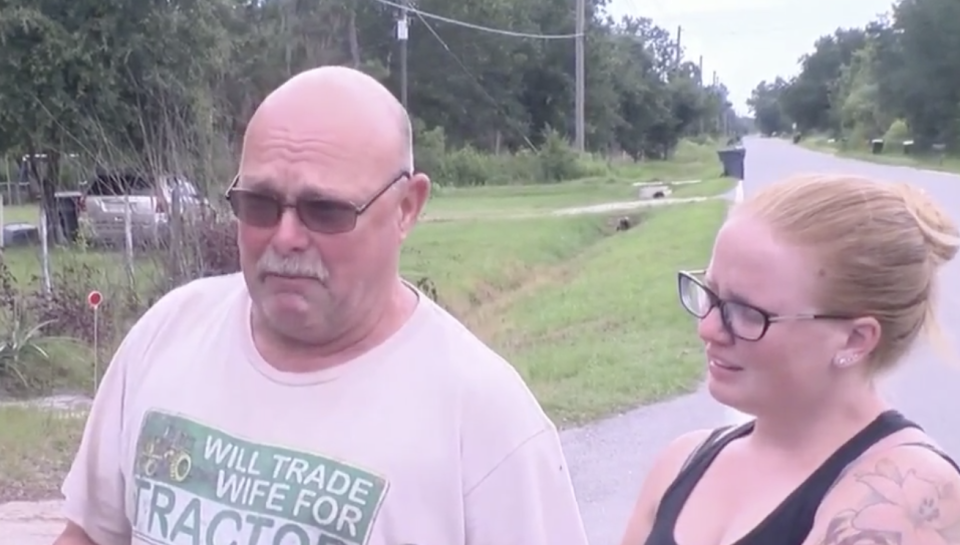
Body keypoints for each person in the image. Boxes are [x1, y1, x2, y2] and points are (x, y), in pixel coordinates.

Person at [54, 66, 588, 545]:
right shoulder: (169, 333)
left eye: (325, 210)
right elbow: (90, 533)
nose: (285, 237)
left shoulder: (486, 422)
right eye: (259, 205)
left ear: (407, 208)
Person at [620, 174, 960, 545]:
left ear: (854, 340)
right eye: (711, 294)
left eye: (746, 312)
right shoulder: (681, 464)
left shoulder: (902, 504)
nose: (708, 328)